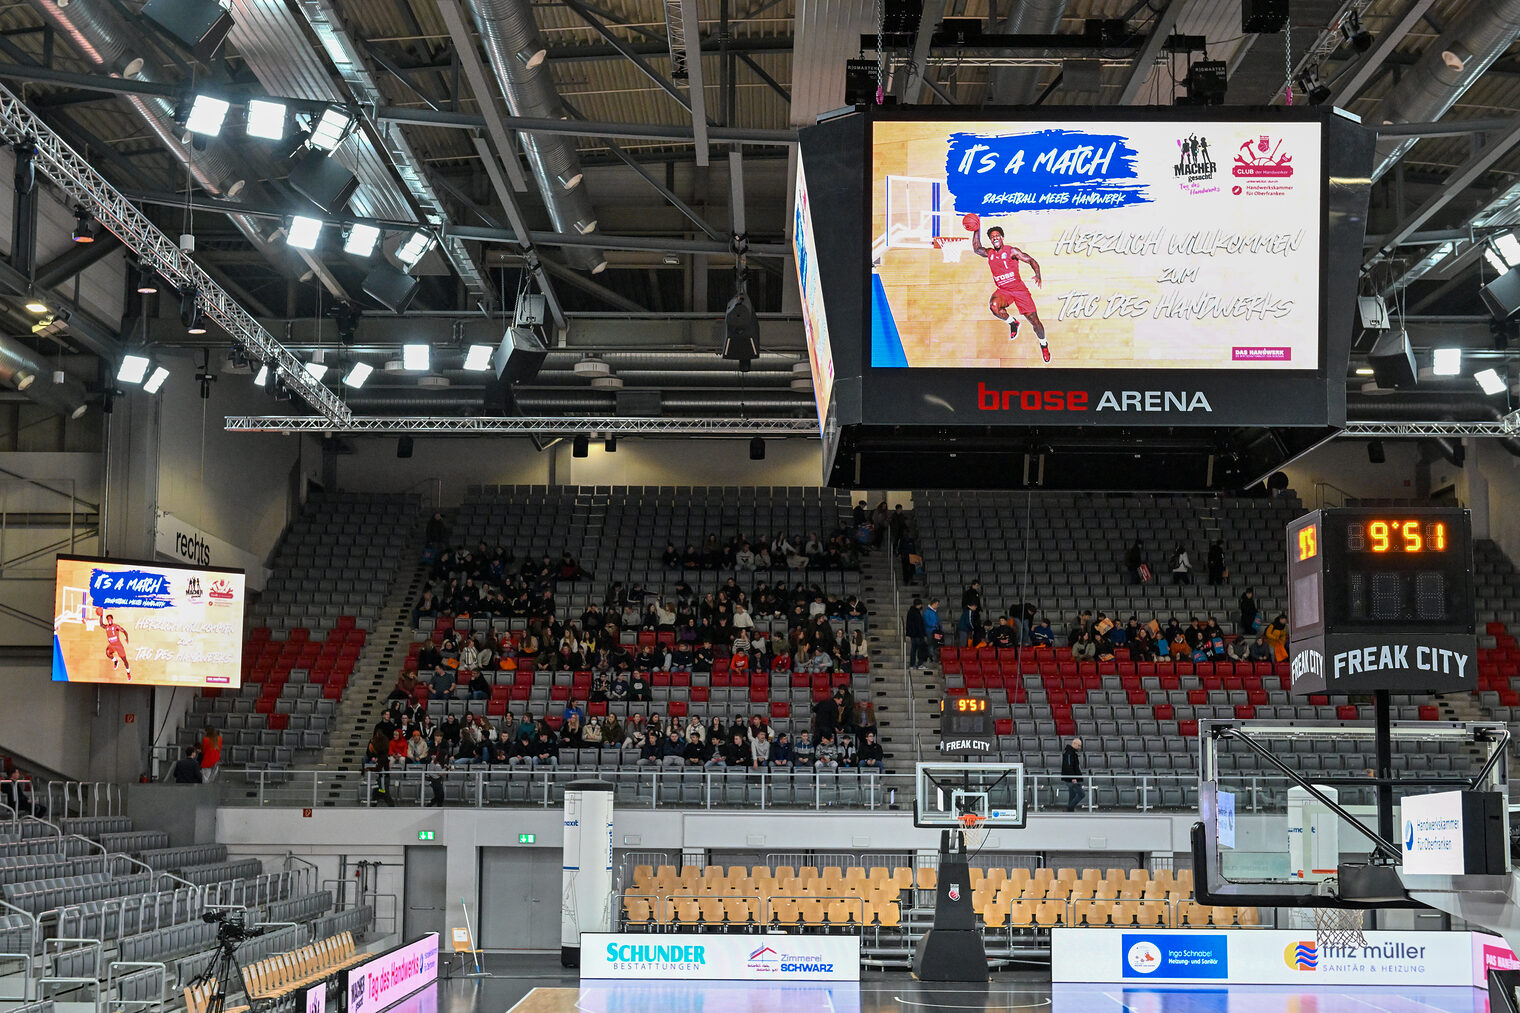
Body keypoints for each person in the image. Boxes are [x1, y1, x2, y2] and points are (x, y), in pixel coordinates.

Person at [967, 218, 1050, 361]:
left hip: (1019, 291)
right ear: (991, 241)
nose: (995, 238)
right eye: (992, 237)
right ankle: (1013, 322)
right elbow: (976, 248)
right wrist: (976, 228)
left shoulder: (1012, 251)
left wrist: (1038, 274)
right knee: (994, 306)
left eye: (997, 236)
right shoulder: (990, 253)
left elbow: (1031, 260)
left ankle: (1044, 344)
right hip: (1004, 291)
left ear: (1002, 237)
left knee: (1035, 322)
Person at [1062, 737, 1086, 812]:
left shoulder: (1072, 753)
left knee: (1072, 795)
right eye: (1078, 745)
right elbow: (1069, 766)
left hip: (1072, 778)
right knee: (1081, 794)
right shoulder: (1069, 754)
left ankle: (1070, 810)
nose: (1079, 747)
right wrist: (1073, 778)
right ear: (1074, 744)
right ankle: (1070, 808)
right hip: (1070, 779)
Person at [905, 598, 929, 670]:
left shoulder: (910, 612)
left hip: (913, 634)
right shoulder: (917, 613)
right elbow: (919, 625)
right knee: (920, 649)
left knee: (913, 649)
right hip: (918, 634)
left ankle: (912, 665)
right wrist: (923, 634)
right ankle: (920, 664)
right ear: (918, 605)